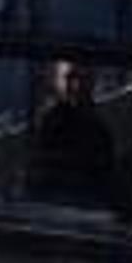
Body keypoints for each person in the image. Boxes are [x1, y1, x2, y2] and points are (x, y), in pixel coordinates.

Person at [21, 60, 120, 210]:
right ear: (57, 81)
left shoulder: (98, 128)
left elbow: (103, 179)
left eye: (83, 79)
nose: (76, 86)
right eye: (70, 78)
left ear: (91, 82)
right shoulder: (47, 121)